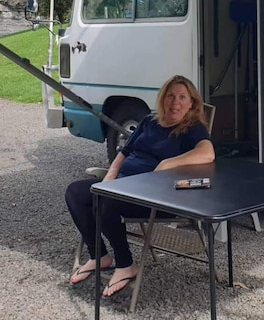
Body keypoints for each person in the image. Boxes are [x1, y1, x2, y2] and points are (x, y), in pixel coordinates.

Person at [64, 74, 215, 297]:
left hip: (154, 197)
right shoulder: (149, 121)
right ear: (163, 99)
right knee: (76, 193)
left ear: (192, 103)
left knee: (105, 200)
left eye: (183, 97)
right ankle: (100, 256)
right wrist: (110, 178)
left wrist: (168, 163)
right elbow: (124, 152)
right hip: (123, 185)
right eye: (171, 96)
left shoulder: (192, 128)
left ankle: (125, 264)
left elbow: (207, 153)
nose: (175, 102)